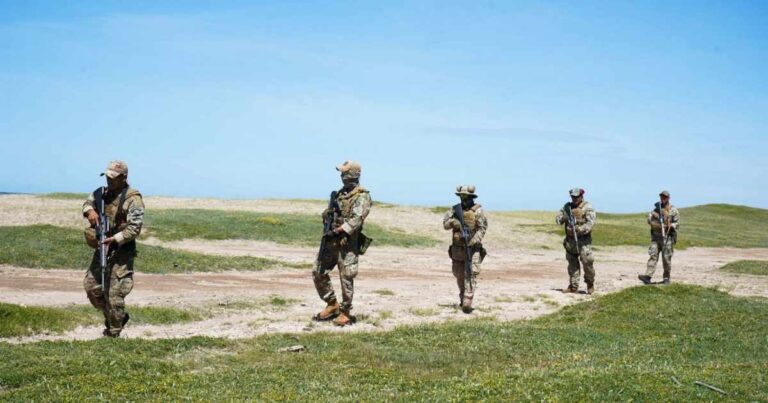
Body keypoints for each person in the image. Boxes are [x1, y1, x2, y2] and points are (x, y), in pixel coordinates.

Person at [82, 160, 144, 337]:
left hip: (121, 250)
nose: (109, 181)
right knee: (91, 287)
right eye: (107, 177)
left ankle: (114, 331)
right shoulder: (102, 194)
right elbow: (87, 202)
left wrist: (115, 239)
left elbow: (135, 228)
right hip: (102, 247)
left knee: (114, 294)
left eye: (113, 178)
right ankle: (115, 317)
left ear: (124, 177)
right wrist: (90, 212)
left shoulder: (133, 199)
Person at [312, 160, 372, 326]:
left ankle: (345, 311)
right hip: (331, 242)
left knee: (346, 278)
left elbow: (356, 220)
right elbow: (330, 214)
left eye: (345, 173)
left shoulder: (362, 196)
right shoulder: (339, 195)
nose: (342, 176)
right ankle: (332, 304)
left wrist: (338, 231)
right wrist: (327, 216)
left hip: (347, 245)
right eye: (342, 173)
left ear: (352, 175)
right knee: (318, 271)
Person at [443, 185, 488, 313]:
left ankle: (468, 298)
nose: (463, 199)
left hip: (472, 249)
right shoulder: (454, 210)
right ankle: (462, 295)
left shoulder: (478, 211)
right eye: (461, 196)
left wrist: (473, 241)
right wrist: (453, 223)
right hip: (457, 249)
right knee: (458, 273)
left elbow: (482, 228)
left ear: (471, 197)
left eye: (466, 196)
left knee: (471, 273)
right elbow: (445, 225)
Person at [555, 187, 596, 294]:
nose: (574, 199)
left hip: (583, 242)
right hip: (570, 241)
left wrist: (580, 229)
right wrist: (564, 217)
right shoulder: (567, 207)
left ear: (581, 196)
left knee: (587, 263)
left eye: (576, 197)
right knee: (572, 265)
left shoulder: (587, 207)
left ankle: (590, 284)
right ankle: (573, 286)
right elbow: (558, 220)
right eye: (572, 197)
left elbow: (590, 223)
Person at [639, 190, 680, 285]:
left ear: (668, 198)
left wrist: (670, 225)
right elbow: (649, 220)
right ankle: (647, 277)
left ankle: (666, 278)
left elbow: (677, 223)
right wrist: (654, 216)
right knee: (653, 256)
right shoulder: (656, 209)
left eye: (665, 197)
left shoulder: (673, 210)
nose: (663, 198)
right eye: (661, 196)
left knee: (666, 259)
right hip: (656, 237)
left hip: (667, 238)